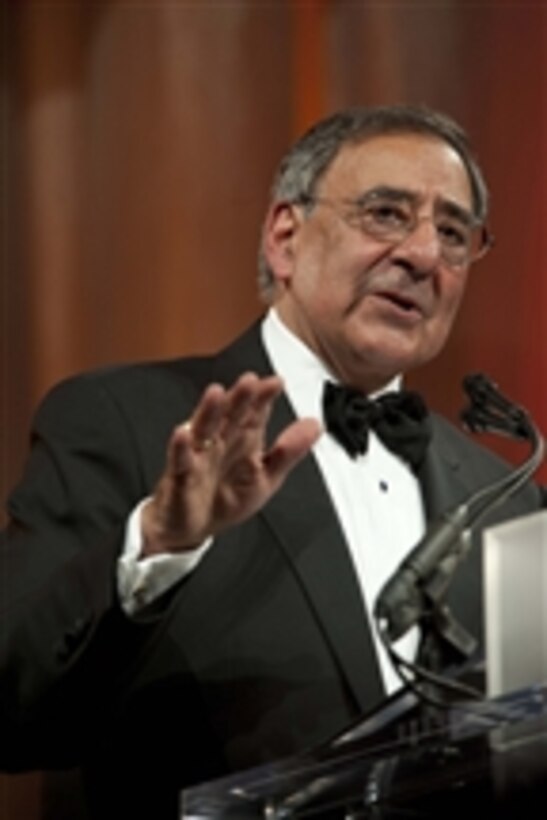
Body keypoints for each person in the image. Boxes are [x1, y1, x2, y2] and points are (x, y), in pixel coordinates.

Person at [1, 105, 544, 819]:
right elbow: (13, 712)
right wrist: (155, 546)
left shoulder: (504, 496)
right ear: (285, 238)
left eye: (452, 232)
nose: (423, 255)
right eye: (386, 213)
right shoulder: (124, 421)